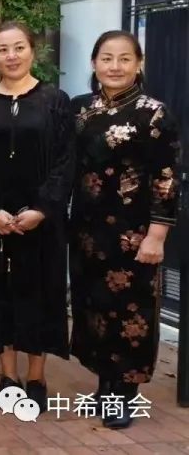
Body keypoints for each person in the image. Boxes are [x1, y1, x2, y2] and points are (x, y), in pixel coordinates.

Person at [70, 30, 180, 429]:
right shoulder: (81, 109)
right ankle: (105, 385)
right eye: (106, 58)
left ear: (139, 63)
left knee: (131, 311)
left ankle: (125, 393)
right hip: (87, 230)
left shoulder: (155, 114)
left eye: (124, 59)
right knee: (93, 307)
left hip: (134, 234)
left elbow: (166, 178)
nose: (114, 66)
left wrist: (157, 235)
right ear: (94, 62)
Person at [0, 20, 74, 413]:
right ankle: (9, 376)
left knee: (38, 294)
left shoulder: (55, 101)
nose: (11, 56)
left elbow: (65, 160)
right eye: (2, 50)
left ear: (32, 51)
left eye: (18, 48)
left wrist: (42, 209)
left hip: (41, 222)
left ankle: (36, 377)